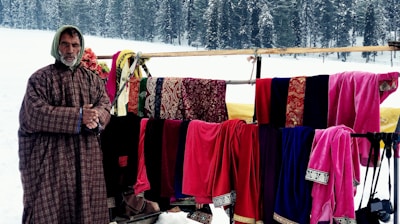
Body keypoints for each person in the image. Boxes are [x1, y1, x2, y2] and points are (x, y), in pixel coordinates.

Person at [18, 25, 111, 223]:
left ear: (81, 48)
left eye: (75, 45)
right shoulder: (40, 79)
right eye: (65, 45)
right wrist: (78, 117)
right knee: (49, 208)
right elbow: (35, 113)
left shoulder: (92, 79)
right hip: (52, 160)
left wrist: (96, 116)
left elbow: (105, 104)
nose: (70, 51)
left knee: (86, 208)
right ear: (56, 46)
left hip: (86, 157)